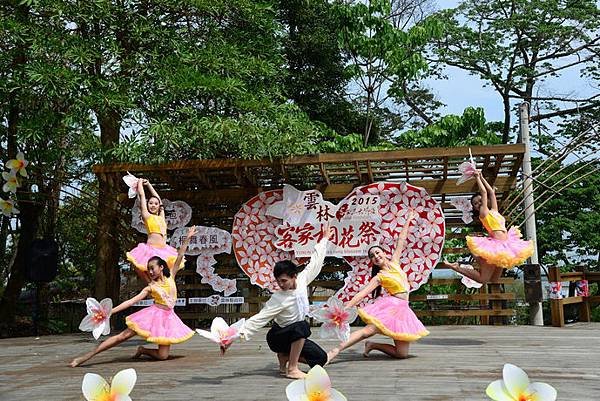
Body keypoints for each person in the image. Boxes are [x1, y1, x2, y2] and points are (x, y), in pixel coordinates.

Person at [70, 226, 197, 367]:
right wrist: (111, 311)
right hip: (153, 316)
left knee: (163, 356)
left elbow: (179, 256)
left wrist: (188, 238)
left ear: (161, 267)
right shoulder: (150, 287)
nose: (150, 271)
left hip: (168, 319)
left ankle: (143, 350)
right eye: (148, 269)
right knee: (122, 337)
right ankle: (86, 357)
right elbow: (131, 301)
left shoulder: (171, 276)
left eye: (152, 268)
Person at [224, 226, 333, 379]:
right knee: (302, 326)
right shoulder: (278, 298)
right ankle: (292, 369)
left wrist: (324, 239)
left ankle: (285, 357)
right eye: (278, 281)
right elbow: (259, 319)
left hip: (293, 336)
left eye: (284, 281)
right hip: (278, 337)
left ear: (294, 276)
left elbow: (316, 261)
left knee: (321, 359)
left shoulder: (302, 280)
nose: (281, 284)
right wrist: (232, 337)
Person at [327, 210, 428, 362]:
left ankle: (372, 345)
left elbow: (401, 239)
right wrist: (347, 307)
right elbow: (362, 293)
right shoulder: (379, 277)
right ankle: (334, 352)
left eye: (377, 252)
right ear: (373, 261)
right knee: (368, 330)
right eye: (372, 256)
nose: (376, 256)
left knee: (402, 354)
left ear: (384, 253)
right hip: (392, 307)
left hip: (404, 309)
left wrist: (408, 220)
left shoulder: (395, 263)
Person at [441, 171, 534, 284]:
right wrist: (477, 178)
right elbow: (484, 192)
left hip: (506, 245)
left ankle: (479, 260)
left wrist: (482, 176)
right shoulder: (483, 213)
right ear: (475, 208)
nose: (479, 203)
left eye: (480, 201)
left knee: (494, 279)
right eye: (476, 203)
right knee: (483, 279)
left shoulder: (494, 211)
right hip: (494, 246)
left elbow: (490, 192)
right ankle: (456, 267)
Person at [126, 179, 183, 282]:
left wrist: (149, 185)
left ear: (159, 206)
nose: (153, 205)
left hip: (163, 249)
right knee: (149, 271)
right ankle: (150, 284)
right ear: (147, 205)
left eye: (155, 204)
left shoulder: (161, 217)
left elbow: (159, 200)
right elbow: (143, 197)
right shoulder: (147, 216)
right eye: (151, 203)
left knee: (165, 275)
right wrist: (140, 185)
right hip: (151, 249)